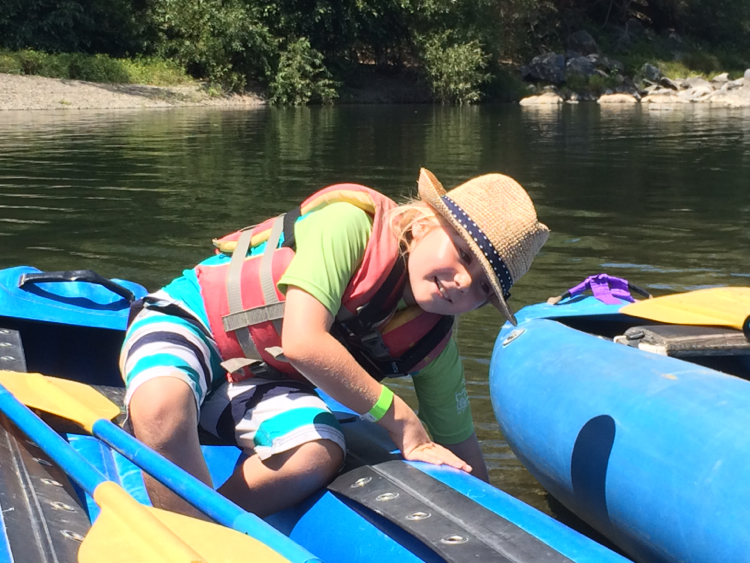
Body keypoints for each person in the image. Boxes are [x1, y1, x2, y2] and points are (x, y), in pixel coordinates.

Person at [120, 168, 549, 518]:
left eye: (482, 289)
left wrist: (496, 521)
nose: (462, 283)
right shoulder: (348, 225)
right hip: (193, 324)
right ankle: (183, 534)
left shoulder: (433, 343)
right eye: (463, 254)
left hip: (259, 381)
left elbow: (461, 447)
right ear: (421, 226)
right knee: (163, 405)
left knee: (318, 453)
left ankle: (210, 526)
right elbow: (304, 342)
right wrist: (402, 421)